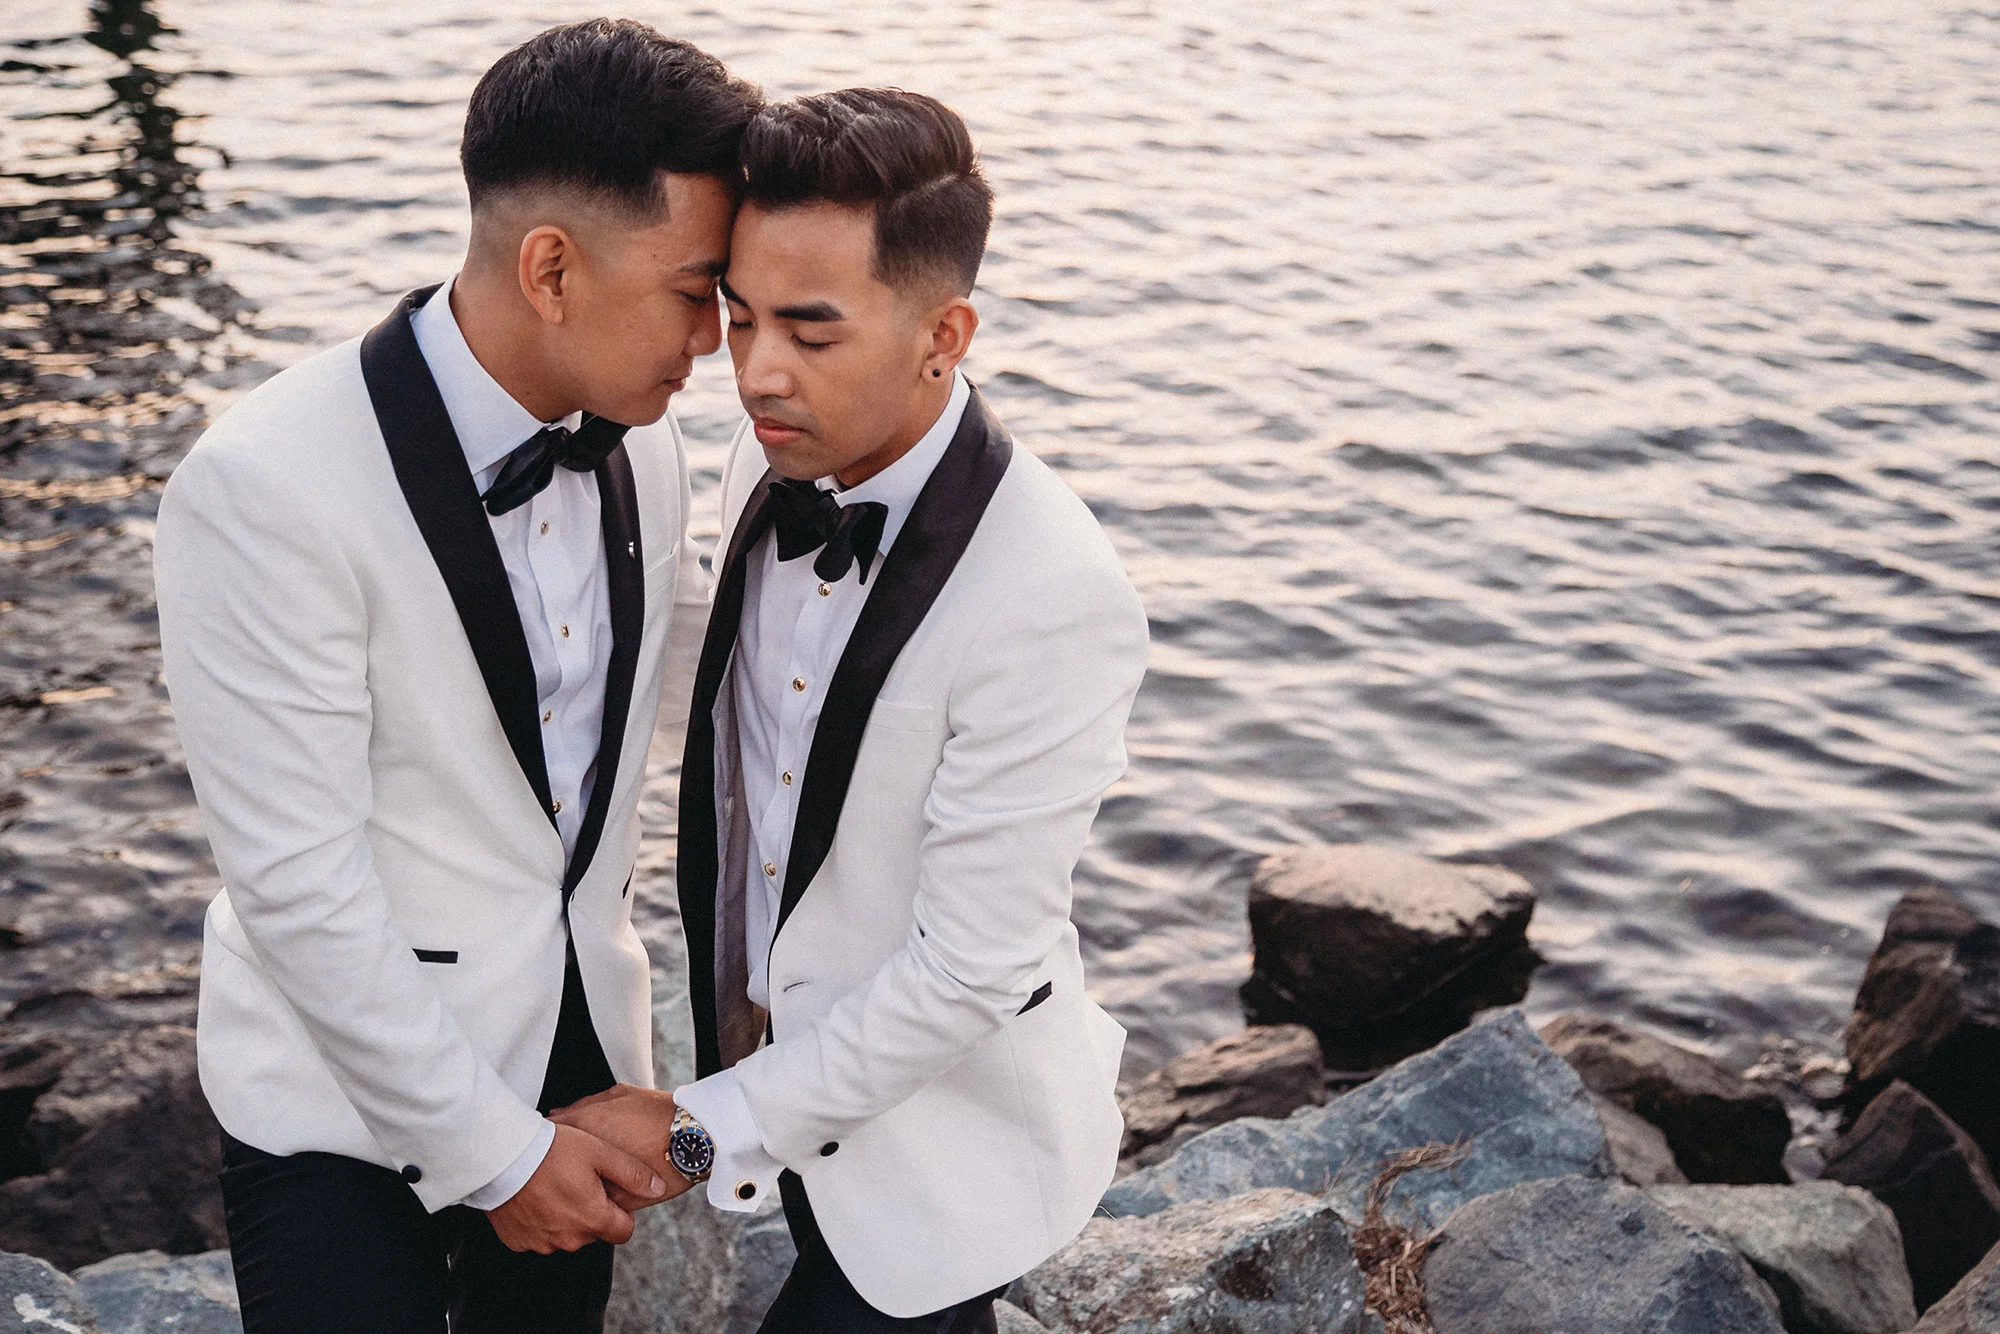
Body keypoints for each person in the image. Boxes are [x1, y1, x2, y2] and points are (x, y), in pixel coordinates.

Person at [151, 20, 757, 1333]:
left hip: (577, 1068)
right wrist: (494, 1152)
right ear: (551, 267)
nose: (715, 338)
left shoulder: (641, 449)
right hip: (339, 1107)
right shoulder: (263, 485)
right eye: (694, 287)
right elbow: (297, 878)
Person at [555, 88, 1148, 1333]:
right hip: (784, 1082)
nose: (754, 372)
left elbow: (970, 966)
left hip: (943, 1139)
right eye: (738, 316)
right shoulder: (758, 461)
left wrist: (705, 1128)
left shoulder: (1052, 592)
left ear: (944, 332)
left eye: (811, 333)